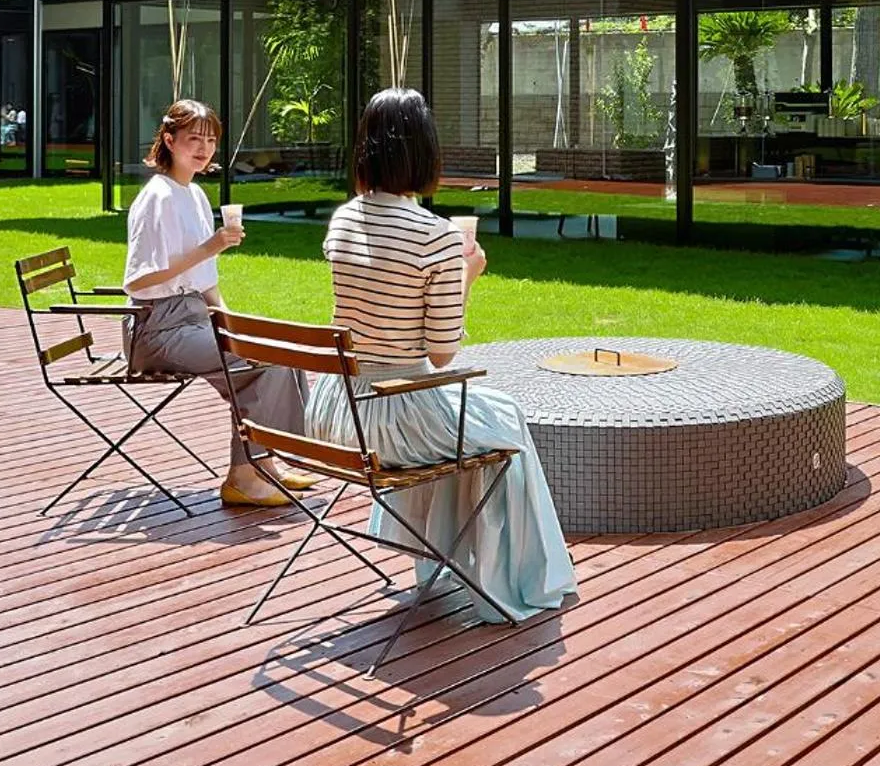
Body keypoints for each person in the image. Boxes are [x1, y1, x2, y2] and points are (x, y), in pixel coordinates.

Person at [305, 88, 576, 623]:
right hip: (393, 418)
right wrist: (467, 275)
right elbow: (442, 353)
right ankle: (519, 576)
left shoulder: (343, 220)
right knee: (504, 419)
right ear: (424, 151)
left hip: (336, 412)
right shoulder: (435, 237)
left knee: (476, 416)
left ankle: (436, 555)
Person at [124, 98, 310, 508]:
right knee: (265, 365)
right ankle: (246, 474)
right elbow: (139, 279)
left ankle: (263, 465)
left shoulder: (193, 194)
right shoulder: (157, 197)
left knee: (280, 353)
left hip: (193, 318)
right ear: (169, 140)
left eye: (210, 141)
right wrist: (209, 247)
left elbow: (205, 280)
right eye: (194, 139)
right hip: (158, 329)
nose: (204, 149)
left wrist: (229, 320)